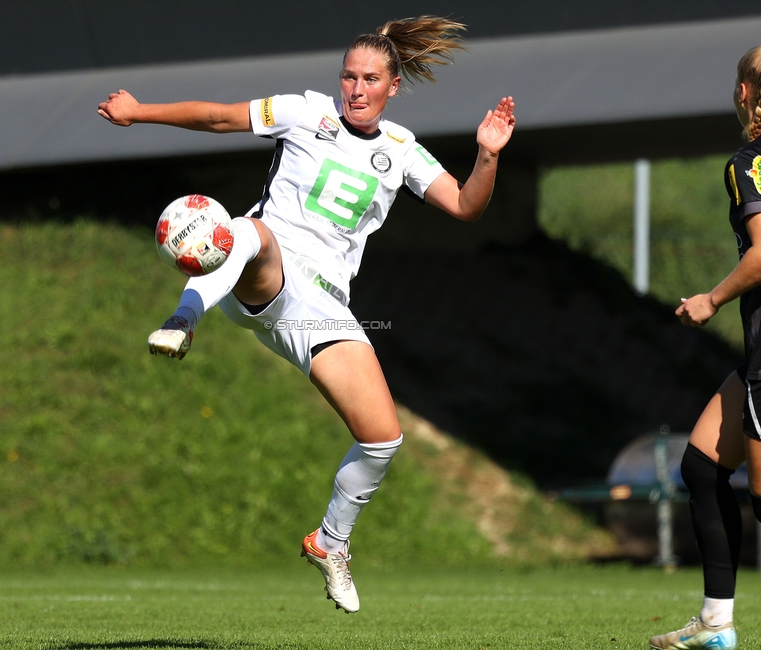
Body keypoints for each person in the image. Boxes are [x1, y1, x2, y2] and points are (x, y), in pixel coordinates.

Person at [98, 16, 515, 613]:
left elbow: (466, 205)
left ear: (393, 86)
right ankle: (185, 317)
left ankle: (330, 542)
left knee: (382, 439)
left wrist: (487, 155)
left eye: (370, 79)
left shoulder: (401, 150)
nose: (356, 88)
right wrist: (139, 112)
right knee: (247, 230)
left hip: (323, 309)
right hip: (263, 269)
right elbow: (219, 117)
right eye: (348, 76)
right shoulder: (304, 112)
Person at [649, 41, 761, 650]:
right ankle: (716, 623)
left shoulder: (752, 160)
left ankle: (719, 626)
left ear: (744, 93)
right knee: (700, 466)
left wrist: (710, 299)